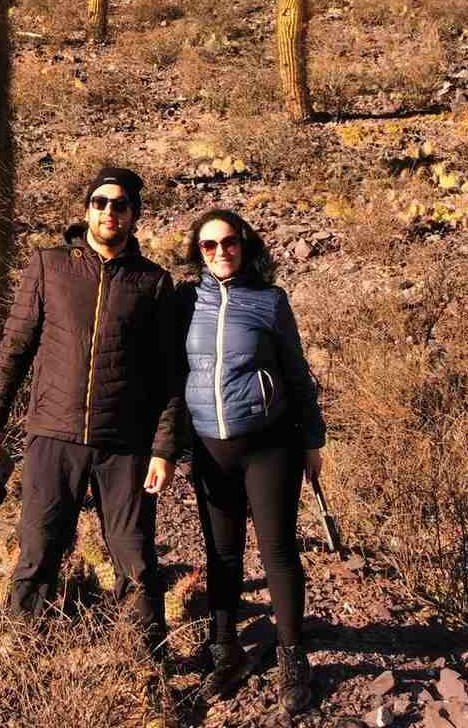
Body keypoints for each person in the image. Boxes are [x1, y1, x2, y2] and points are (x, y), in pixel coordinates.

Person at [0, 166, 185, 658]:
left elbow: (171, 377)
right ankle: (25, 653)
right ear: (87, 209)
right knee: (40, 548)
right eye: (100, 202)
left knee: (135, 556)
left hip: (124, 443)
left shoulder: (153, 283)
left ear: (134, 215)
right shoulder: (50, 266)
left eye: (121, 204)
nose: (110, 211)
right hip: (54, 433)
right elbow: (15, 348)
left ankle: (146, 657)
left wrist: (164, 448)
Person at [179, 208, 325, 716]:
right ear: (197, 251)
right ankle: (226, 654)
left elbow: (296, 371)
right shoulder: (185, 301)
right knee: (221, 554)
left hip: (269, 444)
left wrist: (312, 440)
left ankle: (292, 660)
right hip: (209, 446)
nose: (221, 252)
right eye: (209, 245)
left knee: (278, 552)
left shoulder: (269, 300)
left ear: (246, 244)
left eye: (230, 242)